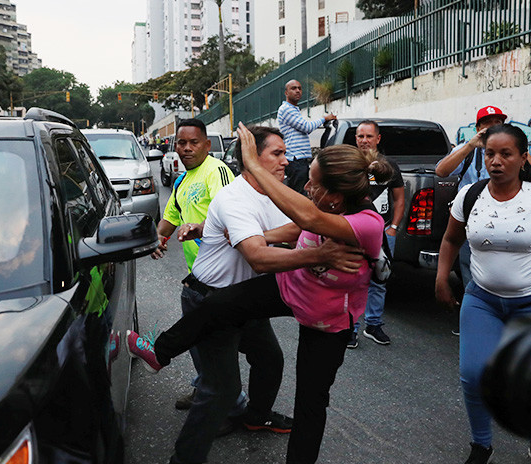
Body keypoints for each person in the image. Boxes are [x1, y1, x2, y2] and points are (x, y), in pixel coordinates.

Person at [128, 122, 389, 463]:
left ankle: (262, 422)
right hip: (286, 287)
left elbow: (307, 220)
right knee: (219, 319)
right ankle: (161, 357)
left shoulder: (364, 222)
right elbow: (280, 239)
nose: (303, 184)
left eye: (313, 183)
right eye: (277, 154)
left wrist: (308, 250)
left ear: (335, 198)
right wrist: (253, 235)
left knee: (307, 400)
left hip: (325, 318)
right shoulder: (248, 197)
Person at [435, 124, 531, 464]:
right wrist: (442, 277)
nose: (495, 161)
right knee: (473, 375)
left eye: (506, 154)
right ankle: (481, 445)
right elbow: (451, 239)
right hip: (482, 301)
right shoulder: (470, 195)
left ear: (523, 158)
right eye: (490, 154)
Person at [150, 118, 240, 412]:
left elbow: (231, 216)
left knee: (216, 342)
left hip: (221, 274)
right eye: (181, 143)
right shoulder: (181, 181)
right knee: (200, 340)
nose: (186, 148)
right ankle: (208, 389)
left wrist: (199, 227)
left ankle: (225, 403)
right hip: (197, 275)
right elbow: (170, 219)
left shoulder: (217, 171)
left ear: (207, 145)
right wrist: (156, 238)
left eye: (193, 142)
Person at [435, 106, 531, 335]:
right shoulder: (469, 151)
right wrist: (471, 146)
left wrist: (518, 149)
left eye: (497, 122)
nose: (492, 126)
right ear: (477, 128)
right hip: (473, 224)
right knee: (472, 276)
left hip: (514, 223)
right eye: (487, 123)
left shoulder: (515, 154)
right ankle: (477, 321)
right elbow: (441, 171)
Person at [347, 120, 404, 348]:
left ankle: (373, 325)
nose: (364, 140)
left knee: (380, 279)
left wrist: (393, 228)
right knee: (354, 279)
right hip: (355, 231)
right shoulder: (349, 163)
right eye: (360, 136)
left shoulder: (389, 166)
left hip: (383, 232)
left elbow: (399, 199)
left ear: (378, 139)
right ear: (356, 139)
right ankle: (351, 328)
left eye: (369, 136)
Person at [277, 79, 337, 194]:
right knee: (298, 195)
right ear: (286, 93)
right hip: (295, 159)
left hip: (300, 159)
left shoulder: (293, 109)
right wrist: (324, 118)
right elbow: (306, 127)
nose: (297, 91)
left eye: (299, 88)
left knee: (302, 193)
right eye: (293, 88)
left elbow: (304, 130)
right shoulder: (286, 109)